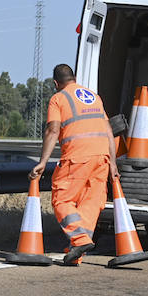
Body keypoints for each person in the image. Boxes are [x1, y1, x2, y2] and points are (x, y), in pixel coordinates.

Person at [30, 64, 117, 264]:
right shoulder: (94, 96)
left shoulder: (58, 98)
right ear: (74, 78)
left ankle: (78, 240)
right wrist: (113, 163)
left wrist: (43, 161)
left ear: (55, 83)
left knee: (61, 199)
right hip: (102, 157)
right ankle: (77, 252)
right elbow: (108, 132)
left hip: (78, 157)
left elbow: (53, 131)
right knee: (90, 204)